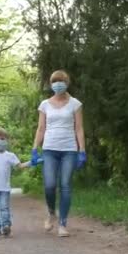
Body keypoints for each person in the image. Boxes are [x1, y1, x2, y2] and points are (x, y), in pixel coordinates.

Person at [31, 70, 86, 237]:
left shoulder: (75, 104)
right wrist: (35, 148)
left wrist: (82, 151)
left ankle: (63, 224)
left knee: (65, 186)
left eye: (61, 81)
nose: (58, 84)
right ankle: (51, 213)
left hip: (69, 149)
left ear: (67, 83)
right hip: (49, 149)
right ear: (51, 84)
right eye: (55, 81)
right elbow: (41, 128)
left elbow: (79, 128)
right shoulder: (45, 104)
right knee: (49, 185)